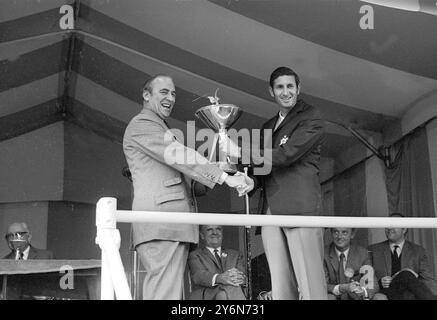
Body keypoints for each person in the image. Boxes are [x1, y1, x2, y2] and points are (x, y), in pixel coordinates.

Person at [123, 74, 251, 300]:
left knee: (169, 295)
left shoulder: (160, 127)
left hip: (172, 226)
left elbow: (187, 181)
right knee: (164, 295)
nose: (171, 98)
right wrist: (223, 176)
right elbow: (178, 155)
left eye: (173, 94)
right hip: (162, 224)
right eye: (164, 92)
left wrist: (219, 168)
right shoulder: (142, 124)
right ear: (146, 95)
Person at [220, 66, 327, 299]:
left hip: (300, 209)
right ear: (271, 91)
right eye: (280, 87)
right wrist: (251, 182)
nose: (285, 92)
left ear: (299, 88)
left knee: (311, 286)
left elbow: (287, 154)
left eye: (290, 86)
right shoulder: (268, 126)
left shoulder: (312, 116)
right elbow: (265, 167)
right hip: (269, 212)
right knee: (280, 288)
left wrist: (239, 150)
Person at [368, 213, 437, 300]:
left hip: (408, 295)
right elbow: (366, 280)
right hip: (384, 292)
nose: (389, 228)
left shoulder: (418, 251)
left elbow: (428, 280)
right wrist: (380, 282)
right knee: (406, 274)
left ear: (404, 229)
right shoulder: (373, 250)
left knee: (407, 275)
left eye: (393, 225)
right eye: (387, 225)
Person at [188, 225, 246, 300]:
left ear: (222, 233)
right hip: (207, 295)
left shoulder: (235, 254)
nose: (215, 232)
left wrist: (234, 278)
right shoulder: (195, 255)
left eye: (218, 229)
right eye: (209, 229)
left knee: (229, 289)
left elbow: (241, 275)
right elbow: (199, 276)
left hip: (231, 292)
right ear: (202, 235)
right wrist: (219, 278)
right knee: (229, 289)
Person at [324, 228, 381, 300]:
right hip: (335, 297)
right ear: (331, 233)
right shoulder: (323, 254)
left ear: (352, 234)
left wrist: (363, 291)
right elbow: (322, 285)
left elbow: (372, 283)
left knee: (380, 297)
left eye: (344, 232)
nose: (339, 237)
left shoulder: (362, 253)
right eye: (336, 232)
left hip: (356, 297)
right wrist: (341, 288)